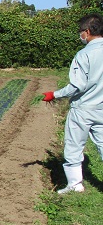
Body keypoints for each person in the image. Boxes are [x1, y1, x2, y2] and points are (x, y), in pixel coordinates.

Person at [42, 13, 103, 194]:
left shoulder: (84, 55)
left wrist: (55, 94)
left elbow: (77, 86)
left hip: (83, 108)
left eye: (81, 32)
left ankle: (75, 185)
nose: (80, 35)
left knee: (73, 145)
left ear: (88, 31)